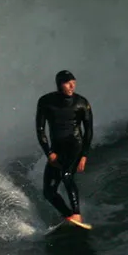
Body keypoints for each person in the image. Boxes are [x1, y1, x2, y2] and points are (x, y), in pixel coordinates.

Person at [35, 69, 93, 225]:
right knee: (48, 192)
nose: (72, 86)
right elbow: (40, 130)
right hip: (57, 149)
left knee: (67, 175)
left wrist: (84, 155)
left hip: (75, 146)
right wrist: (49, 153)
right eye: (68, 83)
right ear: (60, 84)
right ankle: (68, 215)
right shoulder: (46, 102)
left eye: (74, 83)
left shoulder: (82, 103)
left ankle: (76, 214)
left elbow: (88, 131)